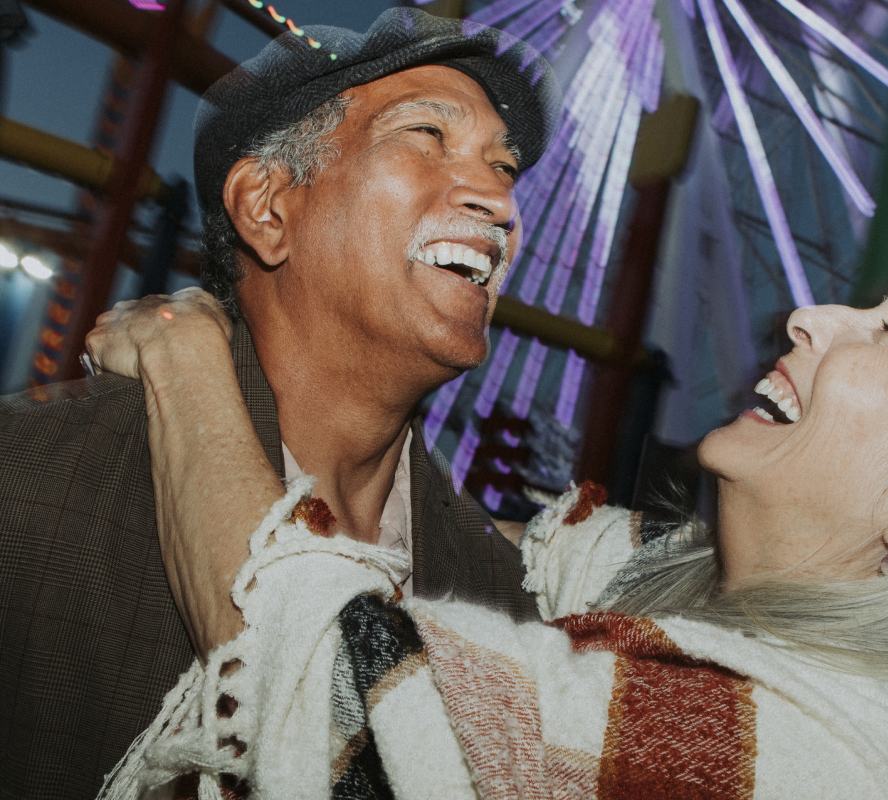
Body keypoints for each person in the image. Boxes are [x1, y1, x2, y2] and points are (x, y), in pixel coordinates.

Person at [86, 271, 888, 798]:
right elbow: (556, 564)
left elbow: (325, 682)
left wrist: (185, 354)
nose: (813, 314)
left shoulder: (817, 764)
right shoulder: (702, 614)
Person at [0, 9, 560, 797]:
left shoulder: (506, 601)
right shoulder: (27, 487)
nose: (497, 201)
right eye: (427, 136)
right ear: (266, 208)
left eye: (503, 168)